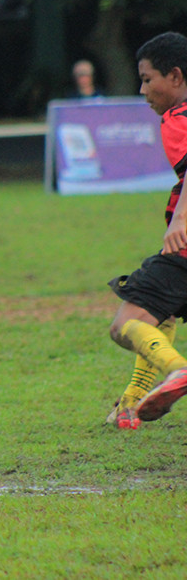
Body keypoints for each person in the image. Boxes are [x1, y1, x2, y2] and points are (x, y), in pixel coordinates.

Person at [105, 31, 187, 429]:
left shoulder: (178, 118)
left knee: (125, 325)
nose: (142, 90)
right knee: (161, 310)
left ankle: (177, 371)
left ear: (175, 77)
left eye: (147, 78)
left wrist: (182, 219)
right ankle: (131, 405)